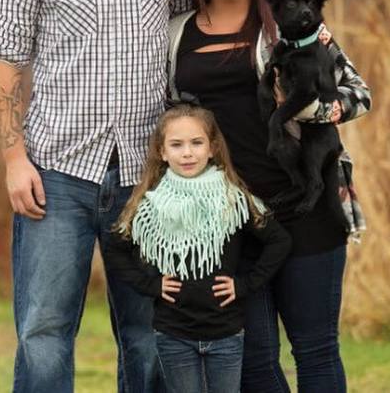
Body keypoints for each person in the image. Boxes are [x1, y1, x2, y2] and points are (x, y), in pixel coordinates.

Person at [0, 0, 190, 392]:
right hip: (55, 175)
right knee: (44, 330)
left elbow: (191, 43)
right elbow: (4, 64)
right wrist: (14, 161)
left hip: (148, 176)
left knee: (149, 333)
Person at [167, 0, 372, 392]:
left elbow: (359, 95)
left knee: (315, 351)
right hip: (229, 219)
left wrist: (303, 109)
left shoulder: (288, 27)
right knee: (252, 363)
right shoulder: (176, 33)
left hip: (304, 205)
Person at [104, 104, 292, 393]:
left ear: (212, 148)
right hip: (173, 334)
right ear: (162, 152)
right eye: (176, 145)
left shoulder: (233, 199)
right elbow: (115, 249)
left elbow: (279, 241)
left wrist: (245, 284)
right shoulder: (150, 205)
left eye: (196, 143)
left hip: (227, 333)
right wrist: (150, 285)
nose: (187, 153)